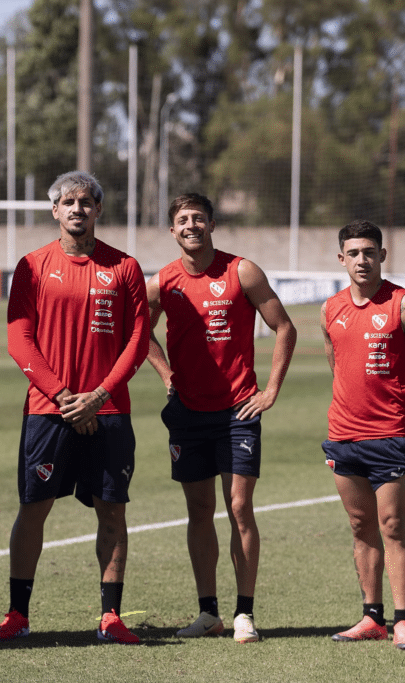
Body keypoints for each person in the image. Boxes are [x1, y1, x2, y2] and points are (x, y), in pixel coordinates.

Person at [0, 170, 150, 645]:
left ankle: (110, 616)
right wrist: (62, 395)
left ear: (99, 210)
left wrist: (98, 396)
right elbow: (19, 339)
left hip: (109, 410)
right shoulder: (33, 265)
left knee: (112, 512)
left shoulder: (125, 267)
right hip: (48, 409)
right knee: (33, 508)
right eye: (68, 201)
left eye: (86, 201)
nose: (77, 208)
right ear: (54, 210)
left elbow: (137, 341)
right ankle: (18, 614)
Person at [145, 192, 296, 644]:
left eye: (198, 218)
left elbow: (284, 327)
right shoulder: (163, 282)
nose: (190, 225)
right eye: (182, 220)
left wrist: (270, 390)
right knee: (198, 510)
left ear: (212, 224)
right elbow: (139, 333)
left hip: (238, 410)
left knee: (239, 508)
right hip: (188, 412)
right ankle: (208, 612)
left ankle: (244, 613)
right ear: (172, 231)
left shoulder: (241, 271)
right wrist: (166, 372)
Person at [322, 219, 405, 651]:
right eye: (353, 253)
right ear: (341, 259)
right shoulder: (330, 309)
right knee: (359, 526)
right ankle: (372, 617)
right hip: (342, 436)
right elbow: (337, 365)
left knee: (392, 524)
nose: (362, 260)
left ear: (382, 256)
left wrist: (394, 407)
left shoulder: (404, 304)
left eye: (369, 252)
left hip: (389, 435)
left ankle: (403, 620)